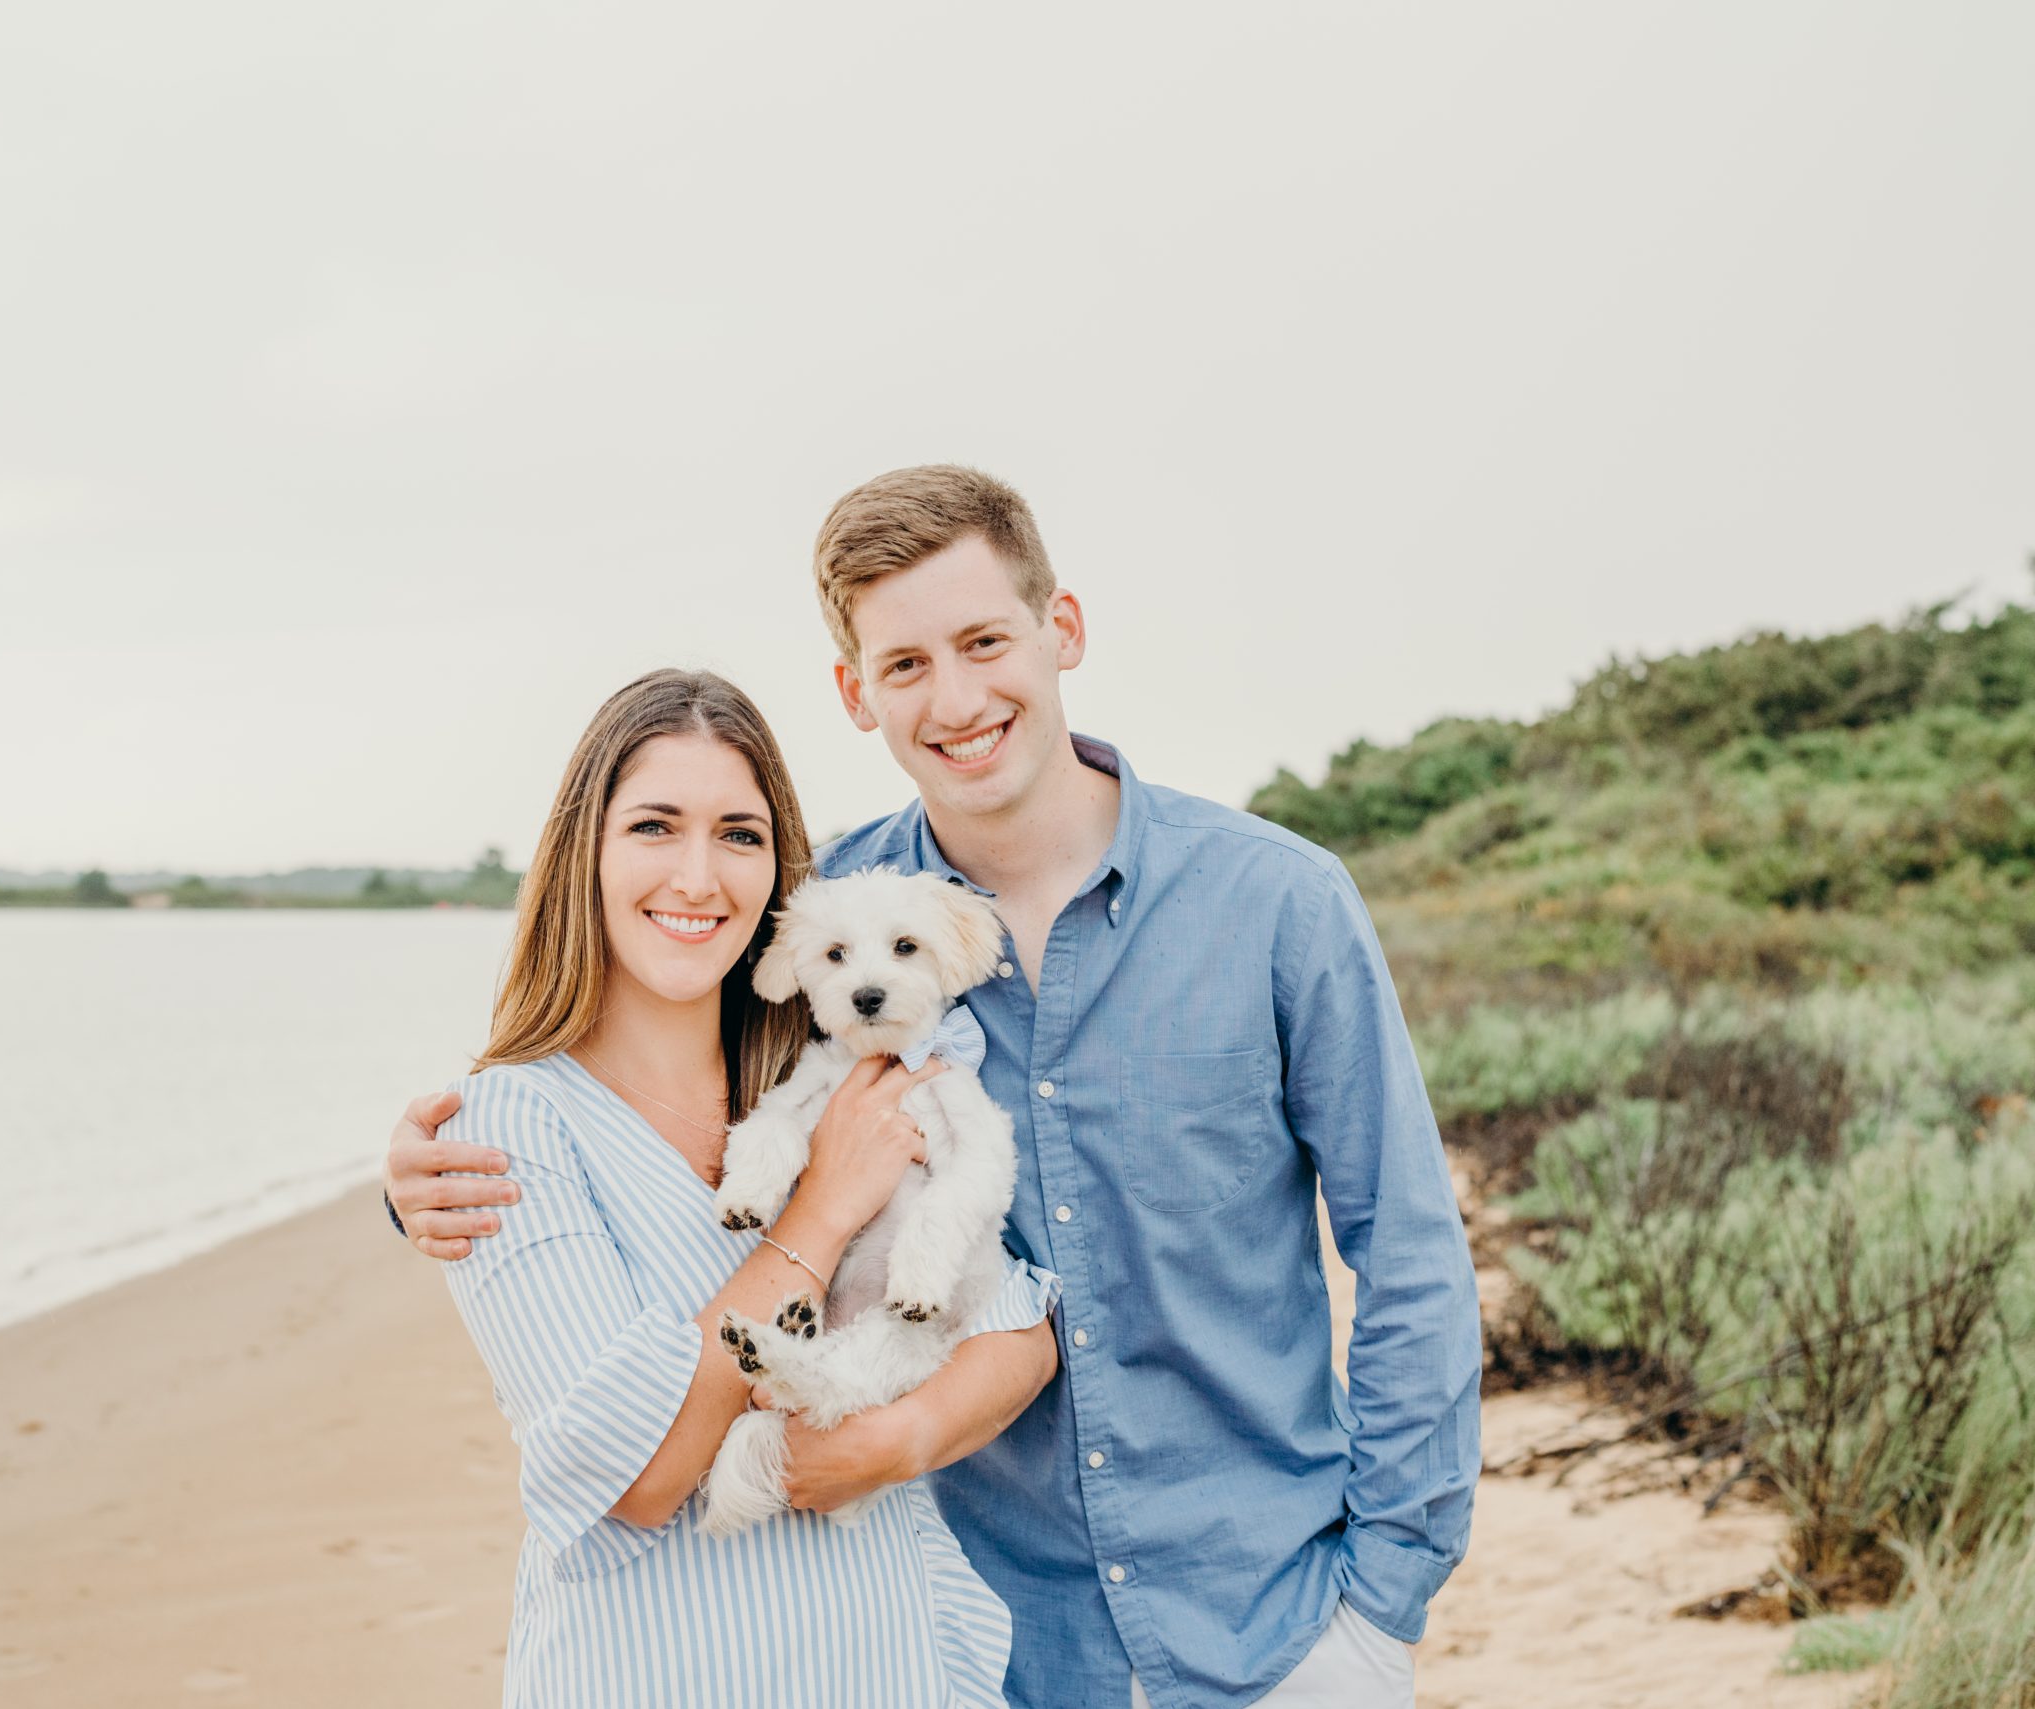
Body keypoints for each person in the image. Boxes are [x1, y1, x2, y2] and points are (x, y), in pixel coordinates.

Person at [390, 467, 1483, 1708]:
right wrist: (418, 1181)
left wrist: (1386, 1594)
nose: (956, 698)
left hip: (1276, 1634)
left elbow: (1407, 1249)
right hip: (984, 1654)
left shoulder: (1278, 903)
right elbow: (635, 1077)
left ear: (1059, 629)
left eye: (983, 641)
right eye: (904, 663)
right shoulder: (833, 928)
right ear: (856, 693)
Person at [417, 665, 1060, 1709]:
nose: (699, 877)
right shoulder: (509, 1123)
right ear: (585, 848)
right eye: (655, 826)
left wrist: (894, 1438)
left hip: (894, 1662)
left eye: (740, 834)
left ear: (779, 875)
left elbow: (1022, 1319)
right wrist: (821, 1211)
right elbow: (640, 1471)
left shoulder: (824, 1070)